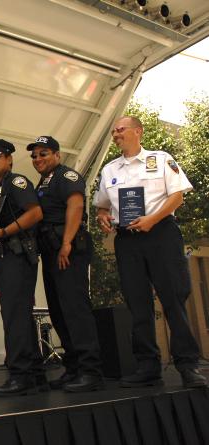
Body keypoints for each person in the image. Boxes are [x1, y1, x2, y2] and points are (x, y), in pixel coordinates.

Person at [94, 116, 207, 389]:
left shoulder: (161, 158)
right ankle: (147, 366)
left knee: (173, 298)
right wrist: (102, 215)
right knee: (137, 303)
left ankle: (188, 365)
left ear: (137, 131)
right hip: (127, 240)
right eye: (114, 131)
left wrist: (152, 220)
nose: (116, 134)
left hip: (161, 234)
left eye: (121, 129)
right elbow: (102, 205)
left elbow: (177, 196)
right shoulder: (110, 169)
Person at [27, 136, 104, 392]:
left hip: (68, 249)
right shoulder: (43, 182)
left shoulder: (66, 176)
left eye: (44, 153)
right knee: (59, 311)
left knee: (75, 309)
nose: (38, 159)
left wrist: (67, 243)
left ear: (57, 155)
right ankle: (73, 369)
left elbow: (75, 205)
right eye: (35, 155)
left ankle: (91, 371)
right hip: (52, 250)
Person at [0, 139, 43, 397]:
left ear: (10, 159)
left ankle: (20, 376)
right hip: (4, 258)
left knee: (15, 318)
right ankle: (35, 374)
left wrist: (3, 231)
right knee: (18, 316)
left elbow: (35, 213)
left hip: (16, 256)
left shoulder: (16, 182)